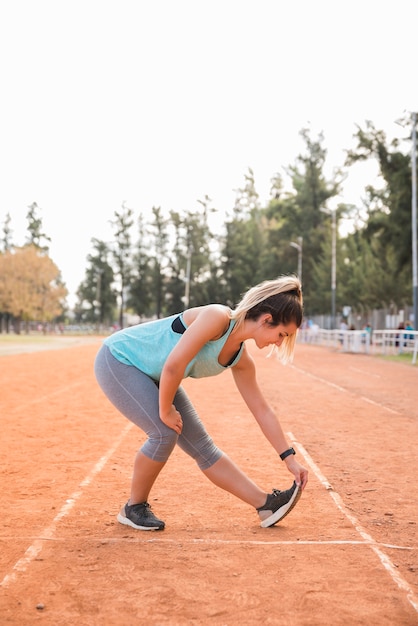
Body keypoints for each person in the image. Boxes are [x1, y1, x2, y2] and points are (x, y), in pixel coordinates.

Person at [94, 275, 309, 531]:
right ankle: (134, 507)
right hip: (120, 359)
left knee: (203, 447)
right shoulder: (217, 317)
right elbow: (174, 365)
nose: (279, 341)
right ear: (266, 320)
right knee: (164, 432)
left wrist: (289, 459)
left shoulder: (241, 360)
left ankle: (266, 505)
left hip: (158, 374)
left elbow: (262, 411)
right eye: (282, 334)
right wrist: (166, 410)